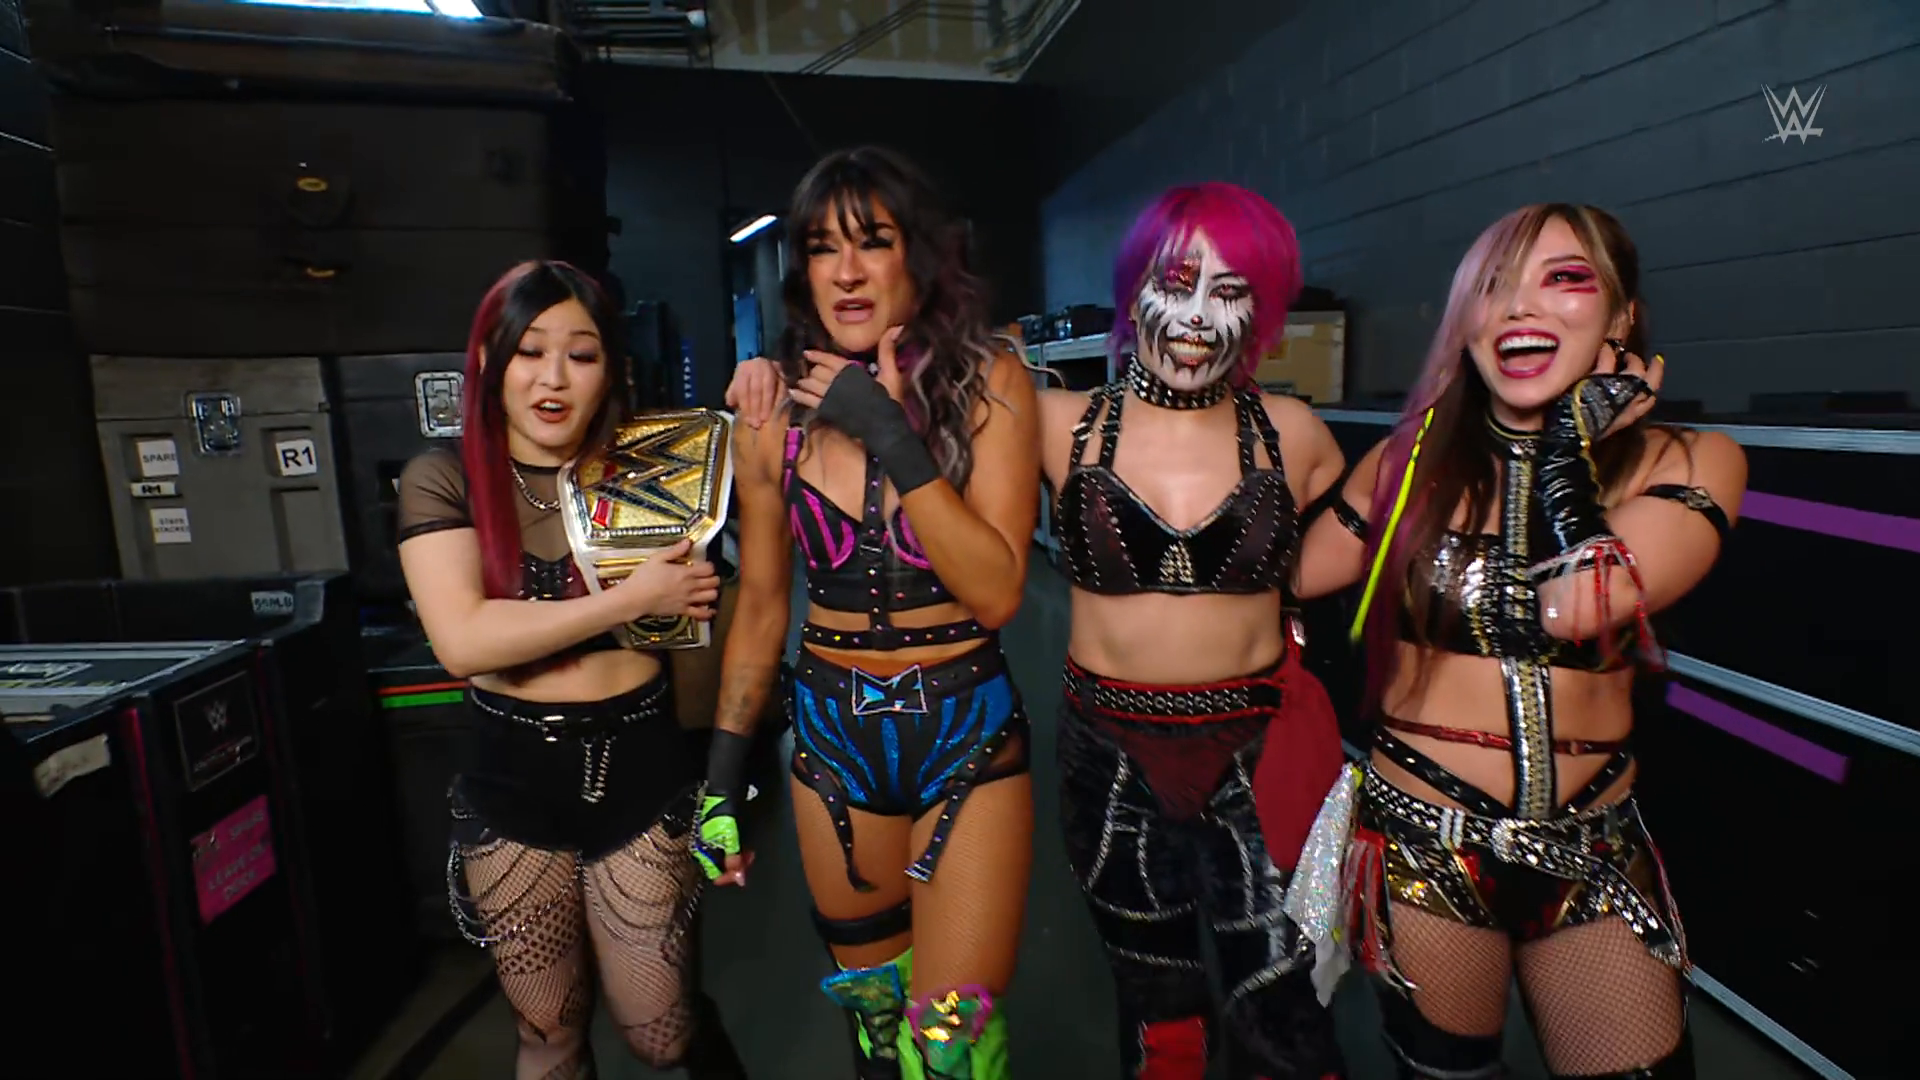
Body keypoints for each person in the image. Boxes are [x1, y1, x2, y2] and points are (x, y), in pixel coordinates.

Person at [728, 181, 1354, 1080]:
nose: (1194, 317)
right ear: (1133, 290)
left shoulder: (1293, 433)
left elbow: (1382, 518)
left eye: (1229, 291)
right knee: (1142, 1015)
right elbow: (765, 597)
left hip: (1223, 749)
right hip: (1075, 753)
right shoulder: (1058, 420)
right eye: (1176, 282)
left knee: (1279, 1013)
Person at [1292, 204, 1748, 1080]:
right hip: (1423, 845)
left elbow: (1579, 606)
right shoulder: (1406, 465)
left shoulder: (1692, 459)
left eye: (1563, 279)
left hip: (1592, 851)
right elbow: (1290, 574)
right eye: (1492, 287)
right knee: (1444, 1073)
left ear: (1622, 318)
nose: (1518, 307)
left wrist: (1566, 445)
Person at [699, 146, 1040, 1080]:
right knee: (879, 1037)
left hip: (964, 735)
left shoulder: (991, 384)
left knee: (953, 1045)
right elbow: (761, 606)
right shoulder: (771, 414)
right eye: (822, 248)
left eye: (873, 241)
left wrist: (888, 429)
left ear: (916, 255)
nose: (846, 271)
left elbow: (999, 591)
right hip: (831, 744)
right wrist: (721, 780)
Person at [395, 260, 747, 1080]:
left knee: (662, 1034)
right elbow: (464, 641)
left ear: (610, 371)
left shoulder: (653, 471)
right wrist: (628, 601)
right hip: (511, 775)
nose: (553, 377)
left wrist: (722, 781)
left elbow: (707, 632)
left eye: (581, 355)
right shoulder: (443, 478)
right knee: (547, 1032)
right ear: (490, 363)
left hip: (641, 764)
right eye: (530, 351)